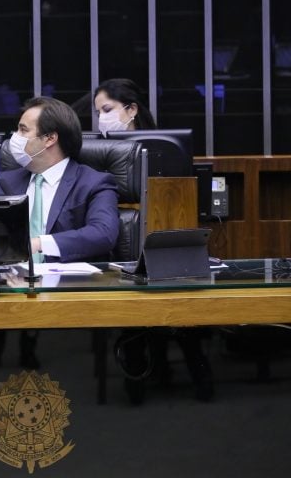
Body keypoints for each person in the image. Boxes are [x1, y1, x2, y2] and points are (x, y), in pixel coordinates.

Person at [0, 96, 120, 372]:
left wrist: (37, 243)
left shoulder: (93, 182)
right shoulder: (7, 181)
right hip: (8, 289)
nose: (14, 138)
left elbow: (103, 234)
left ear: (50, 138)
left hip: (68, 298)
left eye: (22, 130)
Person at [93, 78, 214, 404]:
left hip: (166, 236)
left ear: (131, 109)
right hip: (123, 245)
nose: (101, 118)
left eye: (107, 110)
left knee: (179, 313)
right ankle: (138, 386)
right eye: (98, 112)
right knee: (134, 318)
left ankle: (199, 380)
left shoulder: (164, 146)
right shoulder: (100, 150)